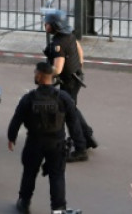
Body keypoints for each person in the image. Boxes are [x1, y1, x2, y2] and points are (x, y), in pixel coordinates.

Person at [7, 62, 85, 213]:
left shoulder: (29, 98)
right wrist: (80, 144)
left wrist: (12, 137)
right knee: (57, 175)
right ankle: (58, 208)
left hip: (34, 142)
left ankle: (24, 202)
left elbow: (17, 119)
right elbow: (73, 122)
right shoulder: (63, 98)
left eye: (35, 72)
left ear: (41, 76)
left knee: (29, 172)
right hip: (57, 144)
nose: (34, 75)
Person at [42, 9, 97, 162]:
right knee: (72, 108)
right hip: (75, 77)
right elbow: (79, 49)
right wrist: (79, 65)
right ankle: (87, 136)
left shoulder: (58, 44)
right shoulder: (69, 35)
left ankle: (80, 148)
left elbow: (58, 69)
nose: (45, 25)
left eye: (47, 23)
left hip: (69, 82)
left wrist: (44, 76)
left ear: (55, 26)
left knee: (69, 115)